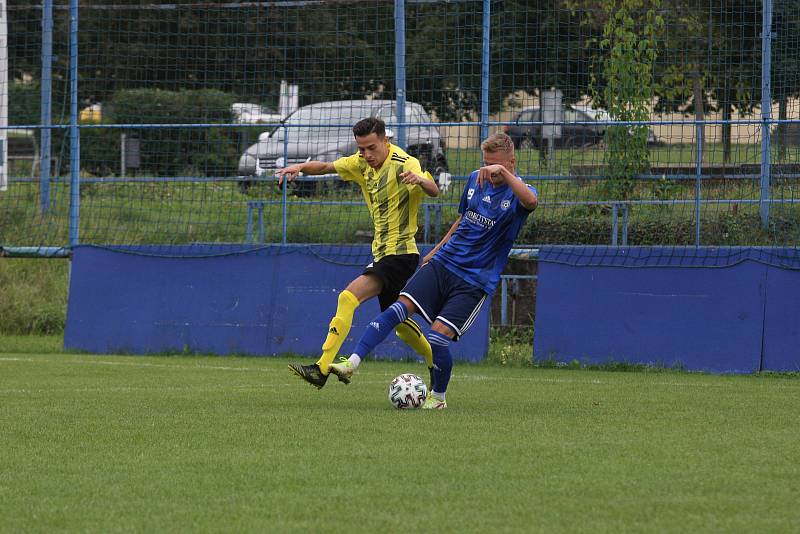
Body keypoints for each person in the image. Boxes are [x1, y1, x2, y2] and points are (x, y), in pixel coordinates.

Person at [327, 132, 538, 409]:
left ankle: (438, 398)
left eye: (495, 166)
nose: (489, 171)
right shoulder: (476, 178)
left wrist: (504, 175)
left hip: (473, 279)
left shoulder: (519, 190)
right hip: (443, 263)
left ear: (511, 163)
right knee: (397, 309)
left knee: (437, 337)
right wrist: (436, 251)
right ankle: (351, 364)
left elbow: (532, 202)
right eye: (486, 163)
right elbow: (463, 219)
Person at [275, 117, 440, 389]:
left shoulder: (405, 163)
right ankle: (437, 360)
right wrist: (301, 167)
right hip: (383, 253)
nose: (366, 154)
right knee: (398, 324)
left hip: (401, 254)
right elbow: (327, 166)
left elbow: (433, 190)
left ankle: (321, 367)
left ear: (386, 140)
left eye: (372, 147)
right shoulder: (361, 163)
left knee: (348, 297)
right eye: (361, 148)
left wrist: (420, 180)